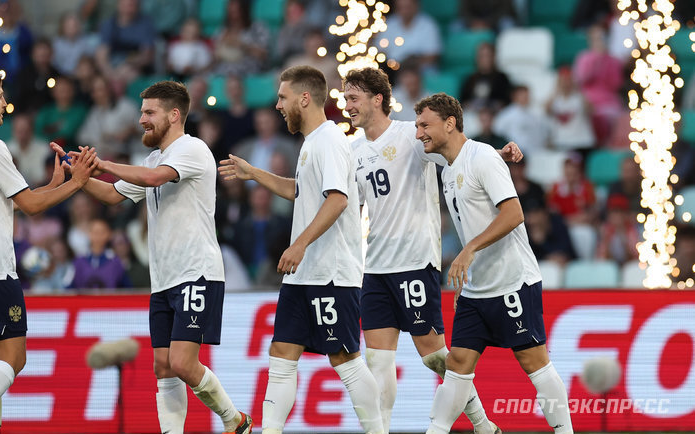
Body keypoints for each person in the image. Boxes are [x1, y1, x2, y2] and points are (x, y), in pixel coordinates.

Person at [52, 80, 253, 434]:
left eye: (149, 112)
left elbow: (153, 178)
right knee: (163, 366)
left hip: (196, 273)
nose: (141, 119)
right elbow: (114, 196)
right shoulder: (153, 157)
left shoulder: (192, 149)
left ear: (174, 115)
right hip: (163, 278)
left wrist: (104, 162)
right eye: (141, 111)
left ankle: (235, 420)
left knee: (181, 362)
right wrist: (80, 175)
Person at [342, 67, 521, 433]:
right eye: (345, 98)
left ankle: (483, 424)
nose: (347, 106)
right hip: (375, 267)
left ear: (378, 99)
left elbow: (461, 152)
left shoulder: (413, 134)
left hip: (414, 262)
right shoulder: (353, 151)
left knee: (437, 358)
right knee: (377, 361)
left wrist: (498, 154)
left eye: (353, 98)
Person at [219, 65, 384, 434]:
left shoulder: (329, 140)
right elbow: (300, 190)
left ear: (304, 98)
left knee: (345, 360)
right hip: (304, 276)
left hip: (330, 272)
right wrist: (254, 173)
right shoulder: (311, 142)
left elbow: (338, 200)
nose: (278, 105)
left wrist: (299, 244)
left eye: (282, 97)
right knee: (281, 354)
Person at [0, 65, 97, 434]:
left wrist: (52, 183)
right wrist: (78, 184)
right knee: (14, 357)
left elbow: (9, 199)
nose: (3, 103)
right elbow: (31, 207)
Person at [414, 92, 574, 434]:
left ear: (450, 123)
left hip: (512, 281)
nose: (418, 134)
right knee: (457, 364)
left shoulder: (483, 157)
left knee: (533, 362)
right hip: (476, 289)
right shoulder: (451, 170)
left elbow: (514, 213)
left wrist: (469, 249)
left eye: (424, 125)